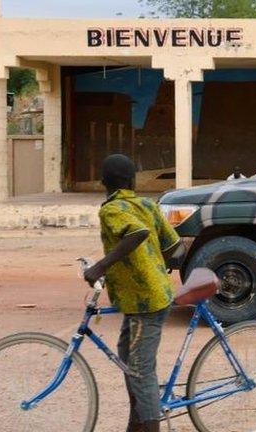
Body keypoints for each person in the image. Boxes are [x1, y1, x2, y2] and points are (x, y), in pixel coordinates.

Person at [83, 154, 183, 432]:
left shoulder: (111, 209)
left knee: (139, 370)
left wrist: (101, 266)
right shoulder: (148, 204)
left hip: (145, 300)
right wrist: (154, 265)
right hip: (150, 295)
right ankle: (137, 423)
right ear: (133, 181)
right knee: (126, 357)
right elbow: (174, 246)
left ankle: (150, 425)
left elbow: (137, 232)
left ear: (103, 182)